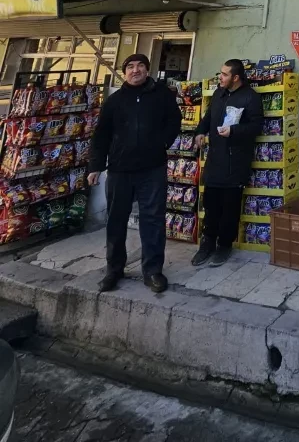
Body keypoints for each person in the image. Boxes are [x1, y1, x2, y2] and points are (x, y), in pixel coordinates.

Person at [88, 53, 182, 294]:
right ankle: (114, 270)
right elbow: (101, 135)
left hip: (152, 169)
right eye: (130, 66)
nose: (135, 70)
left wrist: (162, 143)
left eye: (140, 66)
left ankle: (152, 271)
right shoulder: (115, 101)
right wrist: (95, 166)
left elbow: (174, 121)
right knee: (116, 221)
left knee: (153, 221)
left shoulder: (162, 95)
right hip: (120, 170)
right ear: (125, 72)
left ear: (147, 70)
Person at [191, 59, 263, 267]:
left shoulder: (250, 98)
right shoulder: (218, 94)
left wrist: (234, 131)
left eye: (224, 74)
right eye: (220, 73)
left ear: (236, 78)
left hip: (235, 162)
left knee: (230, 208)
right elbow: (208, 117)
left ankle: (224, 245)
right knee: (211, 204)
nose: (220, 77)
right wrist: (200, 132)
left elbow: (256, 126)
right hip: (215, 159)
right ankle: (207, 243)